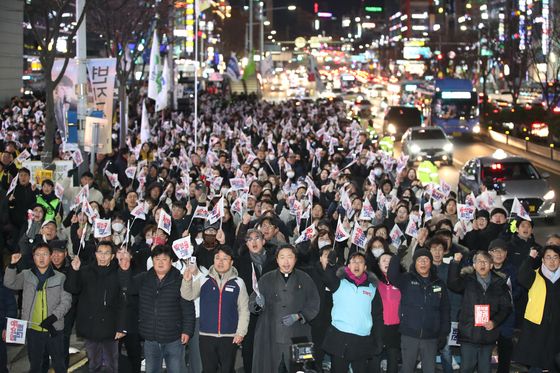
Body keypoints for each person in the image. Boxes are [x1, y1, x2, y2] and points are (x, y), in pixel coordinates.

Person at [123, 245, 195, 373]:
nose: (160, 262)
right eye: (157, 259)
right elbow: (128, 288)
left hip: (174, 338)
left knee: (176, 370)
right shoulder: (143, 278)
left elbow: (188, 307)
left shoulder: (179, 280)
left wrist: (187, 331)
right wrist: (125, 271)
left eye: (164, 259)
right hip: (150, 338)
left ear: (171, 261)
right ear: (152, 261)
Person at [250, 245, 320, 373]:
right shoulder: (266, 278)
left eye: (290, 257)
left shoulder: (305, 278)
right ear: (277, 260)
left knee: (301, 369)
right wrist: (257, 304)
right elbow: (253, 300)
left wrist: (299, 316)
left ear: (295, 259)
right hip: (270, 333)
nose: (286, 262)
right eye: (282, 257)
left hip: (298, 333)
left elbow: (314, 303)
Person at [4, 243, 72, 373]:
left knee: (59, 365)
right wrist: (12, 265)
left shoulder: (60, 277)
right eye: (38, 255)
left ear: (51, 256)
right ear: (33, 257)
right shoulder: (26, 275)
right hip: (32, 329)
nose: (41, 258)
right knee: (35, 365)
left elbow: (66, 301)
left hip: (54, 329)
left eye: (45, 254)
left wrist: (53, 317)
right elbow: (9, 283)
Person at [182, 245, 249, 373]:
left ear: (231, 262)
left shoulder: (238, 282)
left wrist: (241, 332)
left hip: (230, 336)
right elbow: (188, 295)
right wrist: (186, 281)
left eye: (225, 258)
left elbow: (244, 310)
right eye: (217, 258)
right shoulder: (204, 279)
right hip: (206, 336)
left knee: (227, 370)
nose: (220, 262)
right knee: (208, 370)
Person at [64, 241, 127, 373]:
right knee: (94, 364)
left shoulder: (119, 273)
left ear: (112, 256)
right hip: (90, 326)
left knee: (111, 365)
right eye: (100, 252)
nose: (103, 256)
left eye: (107, 253)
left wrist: (121, 326)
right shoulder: (85, 271)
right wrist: (74, 271)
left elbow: (122, 303)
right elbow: (71, 288)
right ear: (95, 254)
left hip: (111, 327)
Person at [447, 251, 512, 373]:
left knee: (485, 369)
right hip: (468, 333)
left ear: (491, 265)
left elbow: (506, 308)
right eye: (479, 261)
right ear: (474, 265)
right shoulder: (467, 280)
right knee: (466, 368)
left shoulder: (500, 283)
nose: (482, 264)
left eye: (486, 262)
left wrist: (494, 322)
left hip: (488, 335)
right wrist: (455, 263)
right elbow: (452, 284)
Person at [387, 249, 450, 373]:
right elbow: (392, 276)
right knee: (407, 369)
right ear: (415, 263)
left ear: (430, 263)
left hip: (431, 336)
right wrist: (396, 258)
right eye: (419, 260)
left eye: (426, 260)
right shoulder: (407, 279)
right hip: (409, 335)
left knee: (430, 370)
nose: (423, 262)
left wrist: (444, 333)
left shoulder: (439, 283)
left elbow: (445, 309)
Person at [320, 251, 383, 373]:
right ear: (348, 265)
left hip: (362, 340)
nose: (356, 265)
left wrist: (379, 340)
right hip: (340, 338)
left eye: (360, 262)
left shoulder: (372, 288)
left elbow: (377, 315)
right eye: (353, 261)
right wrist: (331, 264)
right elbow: (327, 277)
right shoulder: (339, 282)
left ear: (365, 267)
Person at [234, 229, 277, 372]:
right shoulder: (241, 262)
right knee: (249, 349)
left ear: (264, 241)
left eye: (257, 238)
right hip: (249, 311)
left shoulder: (274, 261)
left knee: (269, 349)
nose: (253, 242)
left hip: (271, 311)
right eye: (249, 239)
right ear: (246, 243)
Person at [514, 245, 560, 373]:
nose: (552, 261)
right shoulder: (534, 276)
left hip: (557, 329)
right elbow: (521, 277)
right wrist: (530, 258)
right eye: (548, 257)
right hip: (536, 326)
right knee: (536, 364)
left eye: (555, 257)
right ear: (543, 260)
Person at [488, 238, 518, 373]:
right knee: (484, 351)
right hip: (488, 315)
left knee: (505, 351)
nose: (499, 254)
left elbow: (518, 290)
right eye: (495, 251)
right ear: (490, 253)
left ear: (506, 254)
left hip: (507, 317)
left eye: (502, 251)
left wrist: (507, 298)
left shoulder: (512, 270)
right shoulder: (484, 268)